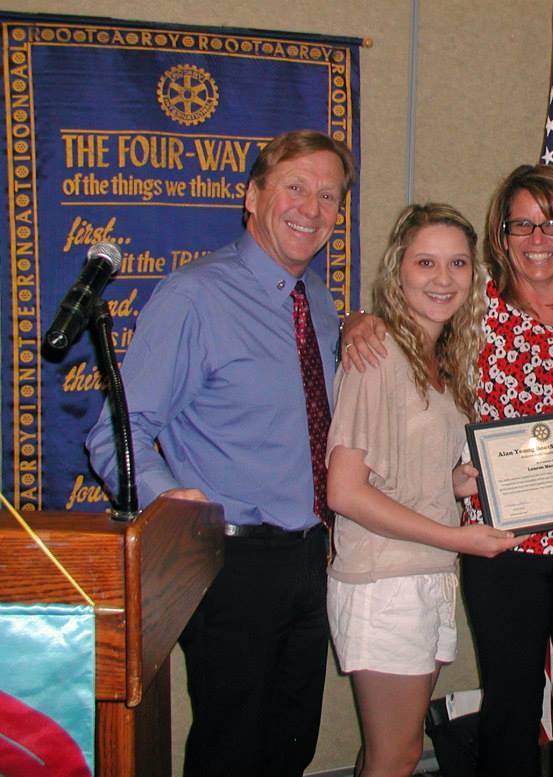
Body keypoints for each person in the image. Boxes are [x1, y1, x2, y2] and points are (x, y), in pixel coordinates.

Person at [342, 164, 553, 777]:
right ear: (501, 234)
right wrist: (359, 321)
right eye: (522, 224)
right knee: (510, 707)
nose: (537, 239)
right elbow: (408, 317)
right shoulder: (476, 302)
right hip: (499, 545)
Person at [86, 130, 353, 777]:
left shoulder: (317, 300)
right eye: (296, 187)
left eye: (329, 196)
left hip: (312, 555)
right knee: (231, 752)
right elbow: (114, 434)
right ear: (252, 196)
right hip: (232, 562)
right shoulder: (194, 296)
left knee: (291, 744)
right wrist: (172, 500)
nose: (312, 208)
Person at [325, 203, 519, 777]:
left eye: (458, 263)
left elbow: (401, 474)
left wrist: (456, 483)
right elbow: (346, 492)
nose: (443, 278)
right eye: (426, 262)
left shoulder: (439, 357)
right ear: (398, 270)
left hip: (424, 571)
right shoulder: (377, 353)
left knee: (392, 747)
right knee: (398, 754)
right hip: (385, 578)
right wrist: (458, 538)